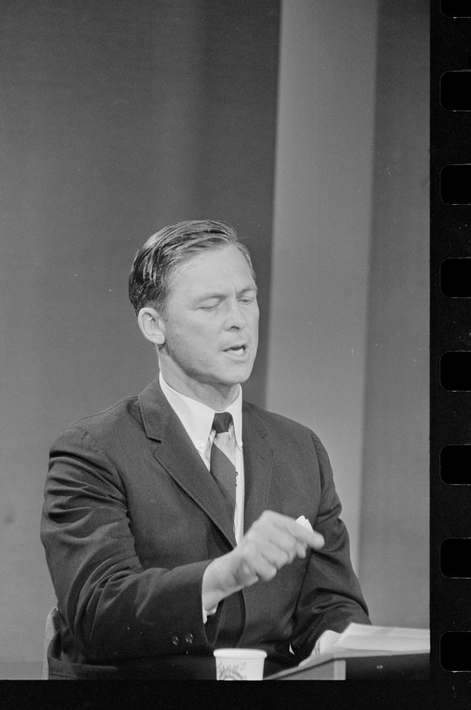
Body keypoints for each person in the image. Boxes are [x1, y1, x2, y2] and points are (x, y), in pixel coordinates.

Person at [40, 219, 369, 679]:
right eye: (211, 305)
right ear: (154, 325)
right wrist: (224, 575)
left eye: (247, 299)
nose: (238, 320)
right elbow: (99, 611)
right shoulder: (95, 451)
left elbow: (331, 604)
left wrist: (339, 642)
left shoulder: (302, 450)